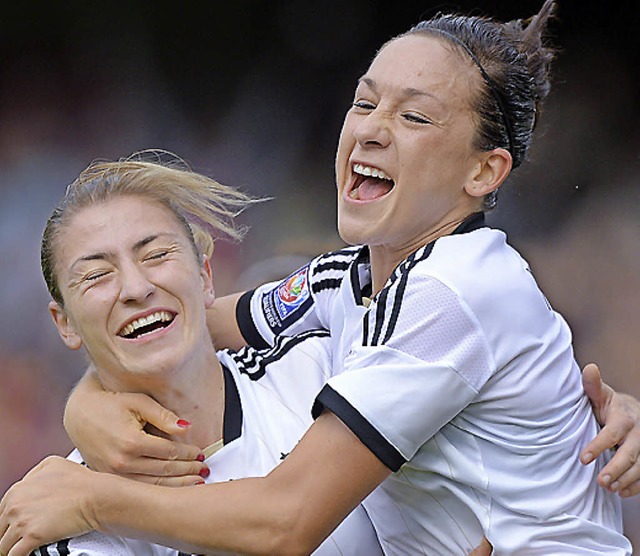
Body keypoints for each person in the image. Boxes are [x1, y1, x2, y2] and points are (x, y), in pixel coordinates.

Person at [0, 1, 638, 554]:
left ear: (482, 174)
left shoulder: (454, 294)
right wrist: (89, 403)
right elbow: (177, 323)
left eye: (415, 117)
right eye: (365, 101)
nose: (372, 128)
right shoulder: (346, 281)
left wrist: (91, 499)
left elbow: (288, 522)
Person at [15, 154, 383, 555]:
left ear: (206, 277)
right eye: (97, 275)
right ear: (64, 323)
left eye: (156, 254)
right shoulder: (63, 522)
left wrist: (97, 491)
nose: (136, 288)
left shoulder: (321, 367)